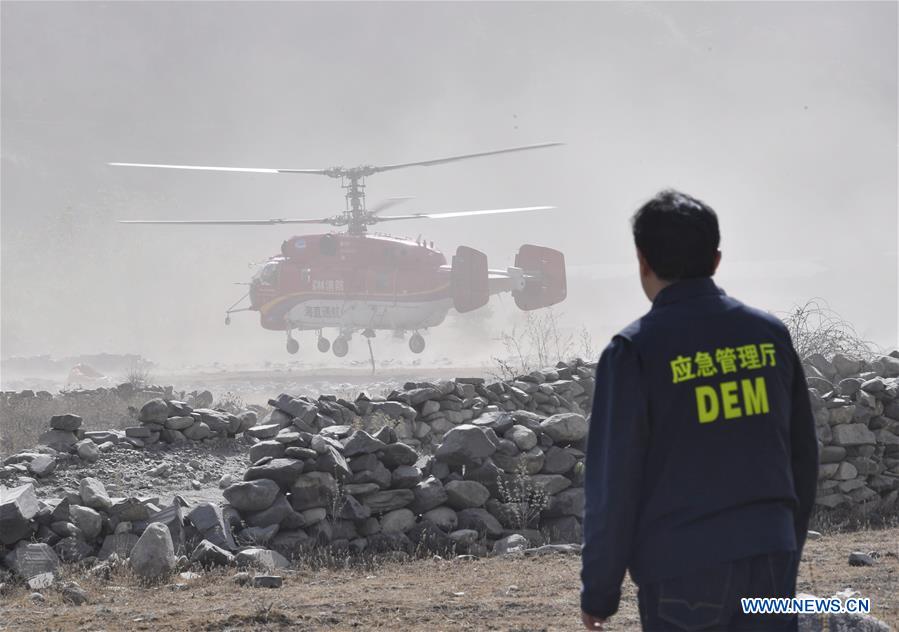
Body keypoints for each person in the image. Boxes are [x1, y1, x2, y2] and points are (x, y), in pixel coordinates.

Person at [579, 190, 819, 631]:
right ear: (716, 259)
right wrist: (784, 548)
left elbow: (614, 484)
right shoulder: (769, 337)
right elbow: (802, 456)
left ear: (642, 261)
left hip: (681, 571)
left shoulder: (634, 351)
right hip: (770, 555)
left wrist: (600, 589)